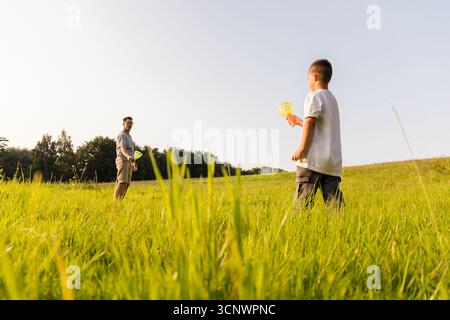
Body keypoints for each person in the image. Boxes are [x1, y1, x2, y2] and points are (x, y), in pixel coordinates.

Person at [287, 59, 344, 209]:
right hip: (332, 162)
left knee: (303, 205)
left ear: (314, 77)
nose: (308, 83)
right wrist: (300, 121)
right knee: (334, 206)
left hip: (312, 161)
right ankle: (341, 228)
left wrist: (301, 148)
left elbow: (311, 123)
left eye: (308, 79)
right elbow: (317, 124)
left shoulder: (313, 97)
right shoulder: (332, 99)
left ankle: (301, 231)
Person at [114, 116, 138, 200]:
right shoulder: (122, 135)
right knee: (121, 182)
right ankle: (115, 203)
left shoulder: (129, 136)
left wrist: (134, 162)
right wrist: (128, 156)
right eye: (128, 123)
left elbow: (131, 151)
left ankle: (120, 202)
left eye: (131, 123)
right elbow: (122, 148)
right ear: (123, 124)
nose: (130, 125)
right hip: (122, 160)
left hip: (129, 162)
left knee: (126, 184)